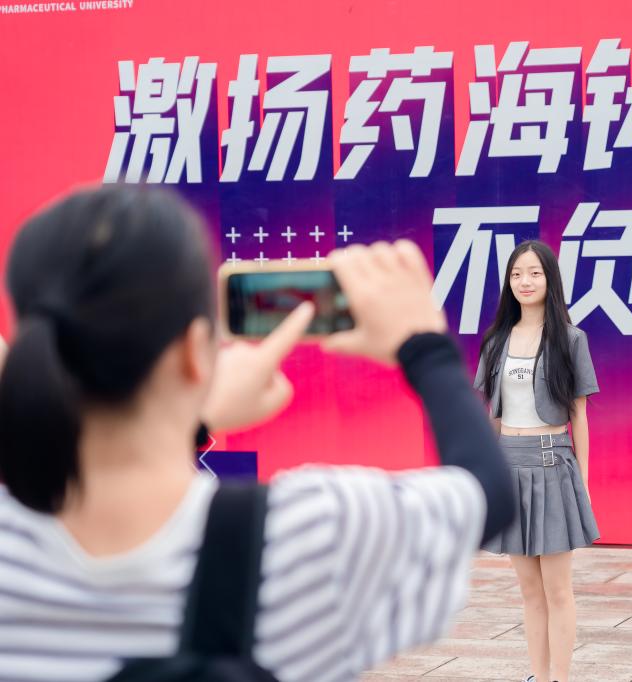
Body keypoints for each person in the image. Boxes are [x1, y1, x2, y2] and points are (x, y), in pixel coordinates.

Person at [0, 185, 514, 681]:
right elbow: (485, 493)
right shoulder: (310, 532)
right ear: (194, 351)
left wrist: (192, 421)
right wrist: (424, 345)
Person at [473, 240, 600, 682]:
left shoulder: (571, 339)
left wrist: (582, 481)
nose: (524, 281)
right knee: (529, 590)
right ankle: (538, 677)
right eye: (516, 274)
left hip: (552, 461)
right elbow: (493, 414)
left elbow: (580, 415)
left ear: (550, 280)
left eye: (534, 273)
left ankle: (560, 679)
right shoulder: (496, 341)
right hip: (508, 464)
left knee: (557, 590)